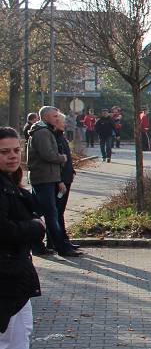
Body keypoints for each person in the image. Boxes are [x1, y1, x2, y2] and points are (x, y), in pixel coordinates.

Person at [0, 126, 57, 349]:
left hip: (16, 271)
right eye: (4, 152)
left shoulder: (10, 183)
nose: (12, 156)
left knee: (21, 333)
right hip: (5, 272)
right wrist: (35, 227)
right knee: (3, 337)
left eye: (15, 150)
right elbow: (4, 231)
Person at [24, 107, 79, 258]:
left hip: (47, 177)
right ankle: (60, 247)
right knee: (50, 214)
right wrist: (62, 158)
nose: (57, 118)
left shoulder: (45, 131)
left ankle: (40, 246)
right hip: (44, 178)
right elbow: (48, 154)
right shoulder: (42, 132)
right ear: (46, 117)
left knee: (41, 212)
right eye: (55, 116)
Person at [52, 116, 78, 253]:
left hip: (67, 178)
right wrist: (60, 180)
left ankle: (63, 240)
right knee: (58, 212)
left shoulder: (61, 136)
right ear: (56, 123)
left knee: (59, 212)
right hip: (61, 181)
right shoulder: (54, 137)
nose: (65, 124)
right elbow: (57, 162)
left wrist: (71, 170)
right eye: (63, 122)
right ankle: (60, 242)